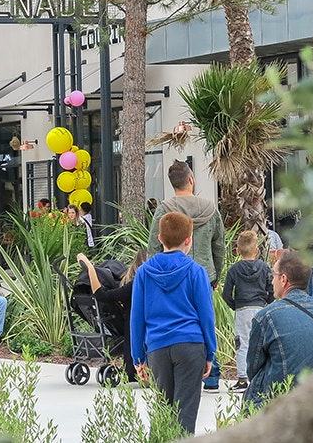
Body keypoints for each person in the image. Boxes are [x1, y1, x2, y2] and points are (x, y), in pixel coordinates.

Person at [130, 212, 216, 434]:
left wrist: (138, 357)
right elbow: (206, 315)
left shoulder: (144, 273)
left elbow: (137, 317)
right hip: (190, 344)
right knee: (185, 414)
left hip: (157, 346)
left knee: (163, 414)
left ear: (159, 238)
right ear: (189, 239)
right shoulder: (196, 271)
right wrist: (210, 353)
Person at [147, 159, 225, 393]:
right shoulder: (210, 209)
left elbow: (153, 245)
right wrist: (216, 276)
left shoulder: (164, 209)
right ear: (191, 179)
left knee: (178, 320)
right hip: (204, 273)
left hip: (170, 276)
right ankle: (212, 375)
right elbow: (219, 246)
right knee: (205, 319)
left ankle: (174, 372)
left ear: (173, 184)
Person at [244, 250, 313, 410]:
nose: (271, 281)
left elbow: (253, 369)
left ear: (283, 279)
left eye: (273, 275)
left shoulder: (265, 317)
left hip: (281, 402)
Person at [77, 249, 147, 383]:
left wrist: (90, 268)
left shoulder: (134, 286)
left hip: (134, 338)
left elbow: (101, 295)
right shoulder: (147, 285)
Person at [221, 230, 274, 393]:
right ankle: (260, 376)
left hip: (242, 309)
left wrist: (235, 305)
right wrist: (267, 303)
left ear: (237, 250)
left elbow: (226, 293)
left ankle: (243, 378)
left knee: (242, 343)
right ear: (256, 250)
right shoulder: (264, 267)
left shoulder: (234, 269)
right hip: (259, 308)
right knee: (261, 343)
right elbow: (271, 289)